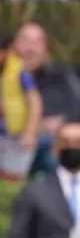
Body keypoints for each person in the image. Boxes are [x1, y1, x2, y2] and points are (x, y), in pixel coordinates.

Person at [13, 21, 80, 175]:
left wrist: (60, 123)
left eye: (36, 43)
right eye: (25, 41)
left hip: (49, 144)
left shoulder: (60, 76)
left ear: (44, 48)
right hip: (10, 142)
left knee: (58, 153)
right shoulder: (5, 78)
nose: (31, 49)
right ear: (14, 46)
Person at [0, 30, 42, 180]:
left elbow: (34, 103)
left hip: (15, 135)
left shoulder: (19, 72)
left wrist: (29, 133)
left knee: (12, 178)